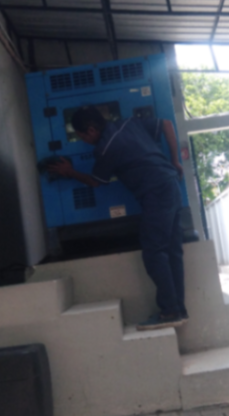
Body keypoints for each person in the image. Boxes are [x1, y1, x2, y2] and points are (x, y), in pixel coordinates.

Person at [48, 106, 188, 331]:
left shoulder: (106, 148)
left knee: (154, 252)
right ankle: (178, 310)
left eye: (82, 136)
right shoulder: (128, 123)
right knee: (172, 251)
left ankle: (170, 311)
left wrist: (70, 172)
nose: (83, 141)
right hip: (171, 184)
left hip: (155, 193)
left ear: (91, 130)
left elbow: (95, 181)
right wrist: (175, 160)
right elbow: (166, 124)